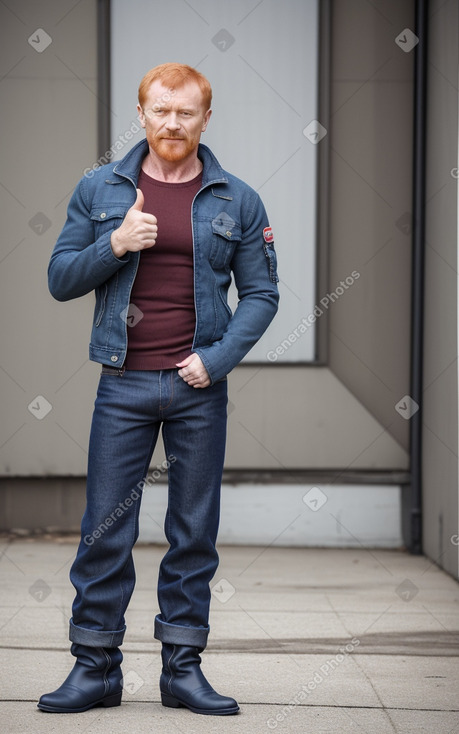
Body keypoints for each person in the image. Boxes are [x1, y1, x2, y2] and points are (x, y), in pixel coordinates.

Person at [38, 62, 279, 717]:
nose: (172, 123)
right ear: (141, 114)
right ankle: (94, 670)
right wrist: (115, 242)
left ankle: (182, 670)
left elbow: (261, 292)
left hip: (198, 389)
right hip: (122, 385)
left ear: (205, 117)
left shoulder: (237, 198)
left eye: (186, 112)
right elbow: (61, 278)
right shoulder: (100, 189)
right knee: (103, 533)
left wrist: (219, 357)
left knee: (193, 532)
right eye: (160, 110)